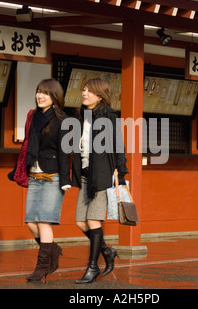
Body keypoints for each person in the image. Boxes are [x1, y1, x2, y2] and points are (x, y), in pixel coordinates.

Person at [71, 78, 129, 284]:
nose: (84, 93)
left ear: (100, 95)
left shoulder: (109, 116)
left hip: (101, 175)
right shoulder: (81, 116)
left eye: (89, 91)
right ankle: (107, 250)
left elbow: (119, 147)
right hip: (86, 175)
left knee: (93, 221)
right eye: (83, 90)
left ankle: (92, 267)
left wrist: (121, 176)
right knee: (80, 222)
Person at [22, 78, 71, 282]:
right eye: (38, 91)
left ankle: (42, 266)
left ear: (55, 97)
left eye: (46, 93)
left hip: (53, 177)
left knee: (43, 221)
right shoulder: (33, 117)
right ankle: (52, 249)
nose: (40, 96)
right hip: (35, 174)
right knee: (30, 223)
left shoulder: (63, 121)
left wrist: (65, 178)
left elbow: (65, 151)